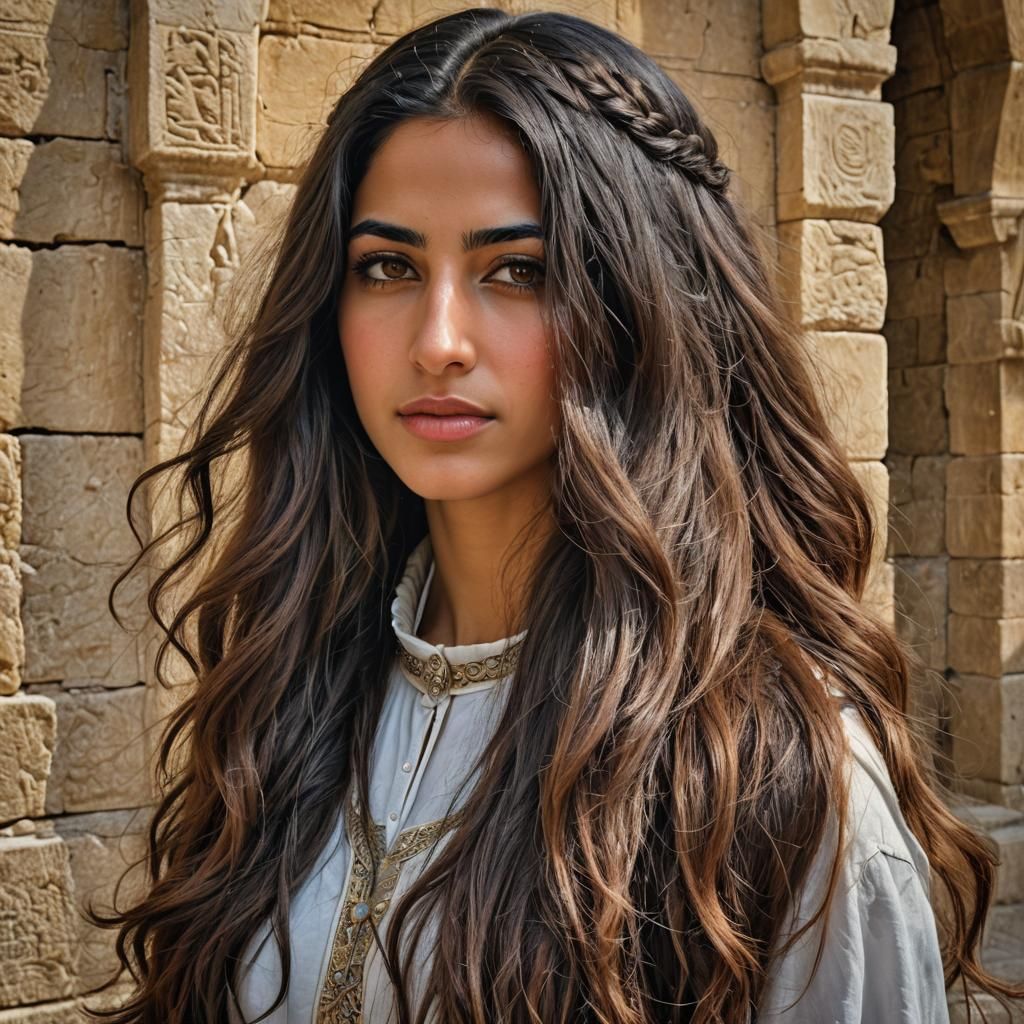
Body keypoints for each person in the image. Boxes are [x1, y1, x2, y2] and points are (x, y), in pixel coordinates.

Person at [87, 8, 1023, 1023]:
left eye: (517, 271)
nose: (438, 338)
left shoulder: (775, 780)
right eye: (388, 267)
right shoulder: (288, 692)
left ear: (638, 304)